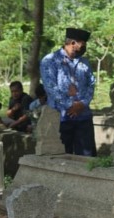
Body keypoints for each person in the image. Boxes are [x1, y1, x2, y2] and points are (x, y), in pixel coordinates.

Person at [40, 27, 97, 156]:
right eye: (83, 43)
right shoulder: (50, 61)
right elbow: (51, 88)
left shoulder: (85, 63)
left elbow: (91, 84)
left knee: (87, 159)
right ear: (73, 43)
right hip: (60, 118)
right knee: (61, 158)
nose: (84, 47)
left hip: (83, 117)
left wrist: (82, 104)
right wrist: (70, 105)